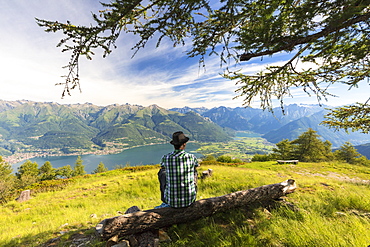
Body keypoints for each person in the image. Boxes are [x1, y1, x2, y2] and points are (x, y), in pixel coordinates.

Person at [156, 131, 199, 208]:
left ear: (174, 145)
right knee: (195, 172)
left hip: (171, 201)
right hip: (189, 200)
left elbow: (163, 168)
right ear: (184, 144)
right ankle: (191, 192)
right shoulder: (192, 157)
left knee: (162, 172)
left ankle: (164, 198)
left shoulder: (166, 157)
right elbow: (196, 167)